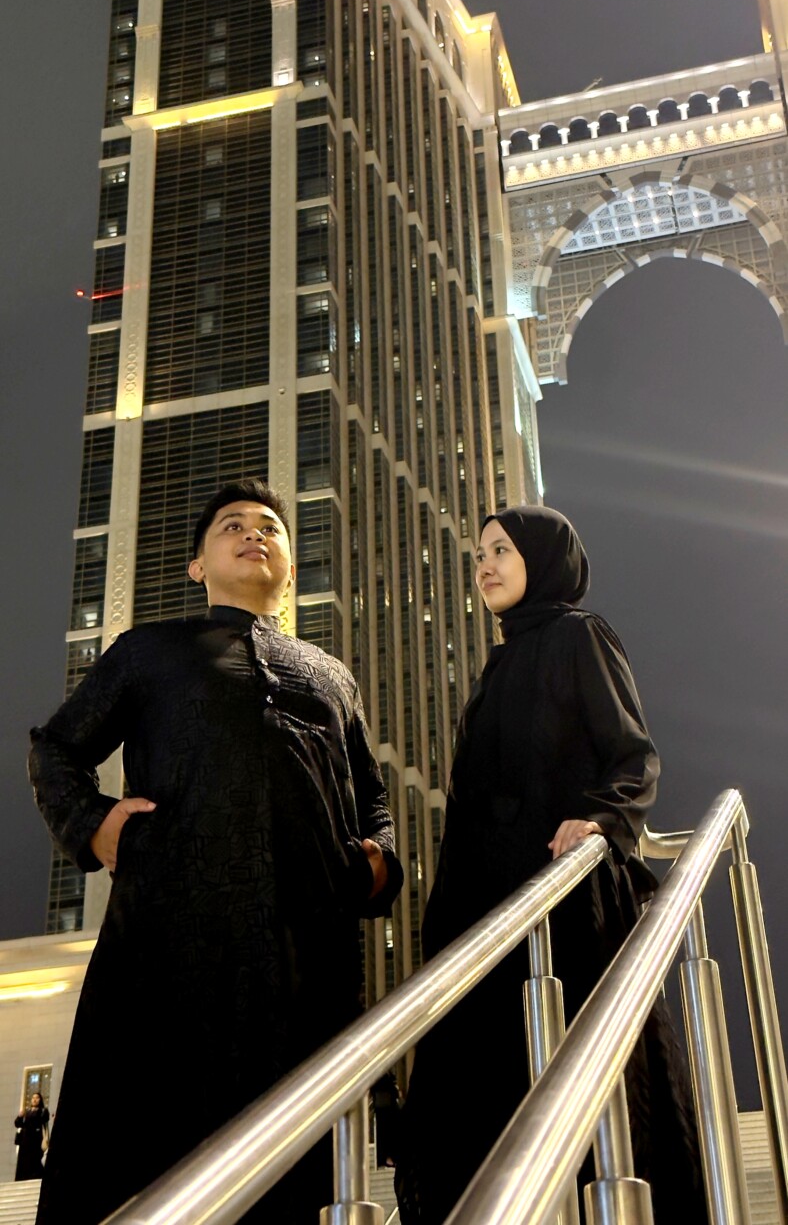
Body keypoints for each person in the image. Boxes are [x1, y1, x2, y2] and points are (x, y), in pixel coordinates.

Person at [29, 478, 403, 1225]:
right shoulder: (148, 652)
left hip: (307, 954)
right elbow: (56, 748)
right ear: (198, 565)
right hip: (170, 941)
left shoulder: (333, 677)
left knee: (296, 1167)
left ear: (290, 568)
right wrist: (94, 824)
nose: (253, 534)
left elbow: (374, 799)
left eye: (269, 527)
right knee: (148, 1155)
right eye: (232, 526)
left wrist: (378, 861)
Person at [395, 505, 707, 1223]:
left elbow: (633, 755)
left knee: (582, 1085)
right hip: (489, 909)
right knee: (488, 1103)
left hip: (565, 903)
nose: (484, 565)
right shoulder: (496, 666)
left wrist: (602, 819)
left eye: (502, 550)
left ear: (545, 560)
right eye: (479, 553)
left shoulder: (579, 634)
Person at [14, 1093, 49, 1181]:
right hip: (25, 1140)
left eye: (37, 1098)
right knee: (24, 1160)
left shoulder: (43, 1110)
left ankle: (35, 1176)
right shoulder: (27, 1111)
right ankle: (23, 1177)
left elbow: (44, 1120)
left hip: (36, 1139)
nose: (34, 1099)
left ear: (40, 1100)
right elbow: (18, 1124)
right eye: (33, 1098)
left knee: (35, 1159)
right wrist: (20, 1116)